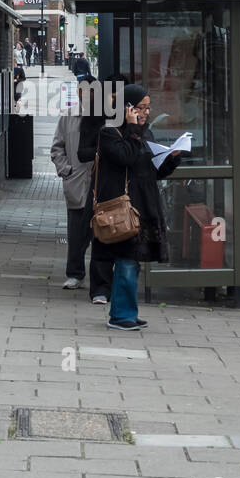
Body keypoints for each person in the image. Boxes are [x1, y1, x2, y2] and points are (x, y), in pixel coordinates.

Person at [91, 83, 182, 331]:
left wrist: (172, 158)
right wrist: (132, 129)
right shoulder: (110, 133)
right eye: (141, 107)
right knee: (126, 262)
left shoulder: (144, 134)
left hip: (144, 206)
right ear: (127, 107)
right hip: (124, 209)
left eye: (148, 108)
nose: (146, 112)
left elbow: (154, 169)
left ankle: (125, 311)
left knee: (133, 261)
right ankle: (121, 315)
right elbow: (125, 158)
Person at [50, 60, 113, 303]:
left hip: (102, 185)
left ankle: (102, 281)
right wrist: (65, 170)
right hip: (77, 181)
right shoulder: (69, 116)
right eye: (81, 92)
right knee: (76, 233)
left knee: (102, 234)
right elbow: (57, 148)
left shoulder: (108, 119)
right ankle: (74, 273)